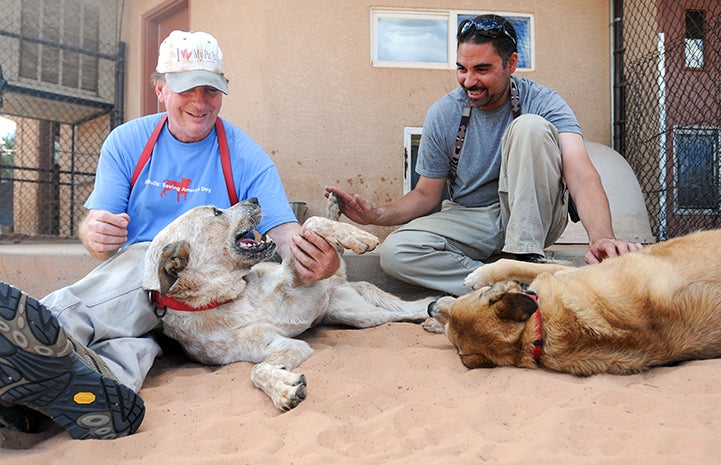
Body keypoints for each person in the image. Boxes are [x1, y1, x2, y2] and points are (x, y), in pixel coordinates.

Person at [0, 30, 339, 439]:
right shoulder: (127, 142)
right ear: (161, 90)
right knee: (137, 329)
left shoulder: (246, 154)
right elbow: (95, 230)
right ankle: (68, 392)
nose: (200, 101)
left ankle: (35, 341)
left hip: (210, 304)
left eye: (211, 90)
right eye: (186, 89)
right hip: (142, 294)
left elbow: (283, 231)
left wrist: (310, 255)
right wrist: (94, 233)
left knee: (149, 290)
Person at [325, 14, 643, 297]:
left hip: (533, 213)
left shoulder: (545, 101)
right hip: (471, 217)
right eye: (462, 69)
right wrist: (375, 215)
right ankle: (512, 290)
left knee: (529, 127)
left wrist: (602, 237)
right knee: (396, 252)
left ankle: (524, 261)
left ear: (512, 63)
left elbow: (581, 174)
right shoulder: (443, 113)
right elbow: (425, 194)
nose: (469, 81)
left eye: (482, 69)